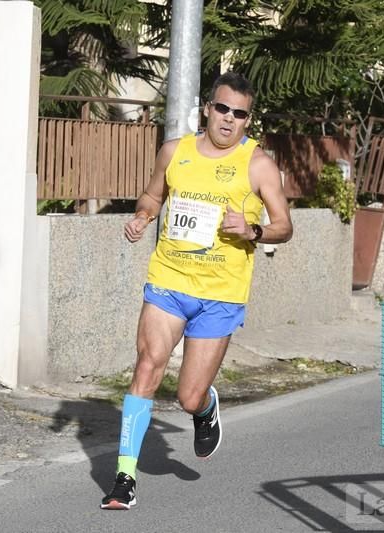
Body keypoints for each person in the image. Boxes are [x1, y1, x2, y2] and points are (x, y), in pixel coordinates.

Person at [100, 71, 293, 510]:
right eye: (222, 108)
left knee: (187, 395)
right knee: (148, 365)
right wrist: (142, 217)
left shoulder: (257, 164)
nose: (228, 119)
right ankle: (124, 479)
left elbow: (284, 226)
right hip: (169, 280)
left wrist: (253, 229)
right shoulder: (175, 151)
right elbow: (152, 197)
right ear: (207, 108)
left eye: (239, 114)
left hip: (221, 294)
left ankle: (205, 409)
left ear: (248, 120)